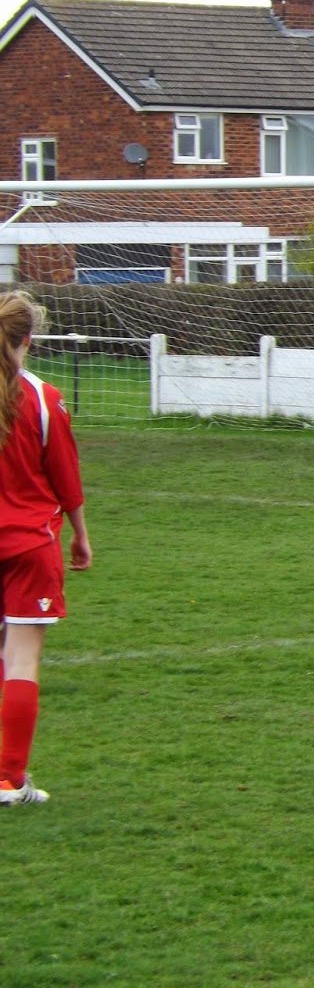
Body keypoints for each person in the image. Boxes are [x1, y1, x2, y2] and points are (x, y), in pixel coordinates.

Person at [0, 292, 91, 806]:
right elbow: (65, 476)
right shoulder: (43, 398)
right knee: (21, 658)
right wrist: (80, 533)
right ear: (29, 339)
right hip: (29, 541)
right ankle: (10, 779)